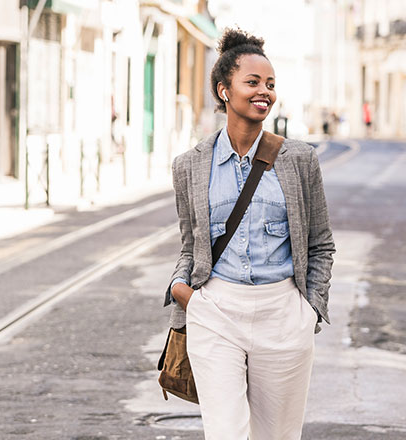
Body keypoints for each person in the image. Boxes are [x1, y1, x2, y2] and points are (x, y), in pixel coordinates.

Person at [164, 28, 335, 440]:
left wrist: (309, 310)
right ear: (224, 90)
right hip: (216, 312)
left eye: (271, 84)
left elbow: (320, 243)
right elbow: (191, 245)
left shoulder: (299, 160)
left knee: (277, 436)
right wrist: (180, 289)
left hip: (283, 315)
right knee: (224, 433)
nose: (265, 92)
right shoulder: (189, 165)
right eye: (253, 82)